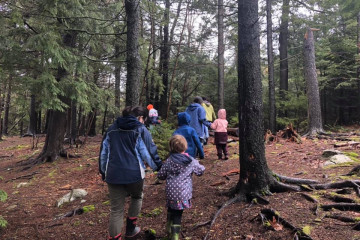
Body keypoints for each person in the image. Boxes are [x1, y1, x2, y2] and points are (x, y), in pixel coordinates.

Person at [99, 106, 163, 240]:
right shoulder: (140, 129)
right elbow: (148, 153)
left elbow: (104, 154)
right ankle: (131, 228)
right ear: (139, 118)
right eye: (143, 119)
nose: (144, 122)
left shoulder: (111, 129)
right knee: (137, 197)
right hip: (135, 174)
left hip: (113, 174)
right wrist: (158, 167)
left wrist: (103, 172)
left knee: (116, 210)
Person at [157, 135, 205, 240]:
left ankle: (168, 229)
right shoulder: (190, 161)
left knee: (171, 209)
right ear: (185, 147)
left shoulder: (169, 161)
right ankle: (175, 236)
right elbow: (200, 171)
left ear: (171, 147)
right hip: (183, 193)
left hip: (170, 193)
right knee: (178, 215)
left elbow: (160, 175)